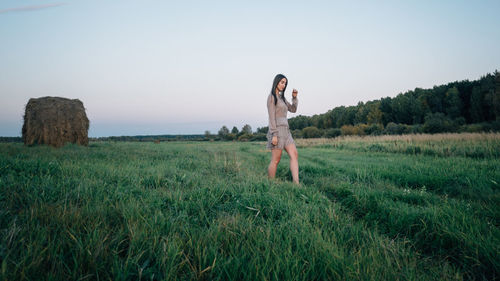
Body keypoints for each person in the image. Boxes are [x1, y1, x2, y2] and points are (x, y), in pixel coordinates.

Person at [266, 74, 299, 184]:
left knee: (294, 154)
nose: (284, 85)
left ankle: (296, 184)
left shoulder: (282, 99)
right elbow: (271, 117)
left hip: (287, 131)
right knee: (276, 159)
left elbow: (293, 109)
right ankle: (271, 184)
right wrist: (274, 134)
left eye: (285, 83)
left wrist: (294, 98)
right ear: (276, 82)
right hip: (277, 131)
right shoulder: (272, 97)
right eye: (282, 82)